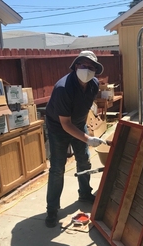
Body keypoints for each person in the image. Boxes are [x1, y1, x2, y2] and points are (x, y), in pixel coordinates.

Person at [44, 50, 106, 228]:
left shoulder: (93, 84)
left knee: (84, 161)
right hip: (58, 127)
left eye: (91, 67)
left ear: (95, 71)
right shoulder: (64, 88)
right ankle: (52, 209)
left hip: (78, 123)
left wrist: (85, 134)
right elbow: (65, 124)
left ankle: (85, 193)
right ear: (76, 66)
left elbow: (84, 109)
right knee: (57, 168)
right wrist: (87, 138)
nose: (87, 70)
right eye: (83, 65)